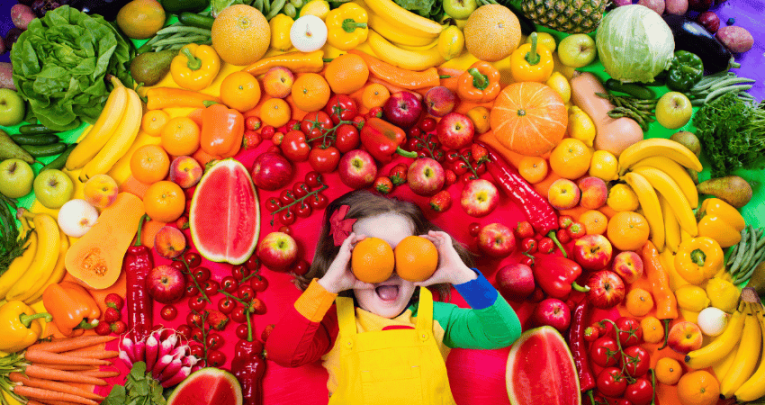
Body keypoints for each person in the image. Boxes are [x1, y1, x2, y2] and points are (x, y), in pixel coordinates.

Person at [266, 190, 522, 404]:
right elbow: (282, 353)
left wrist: (461, 275)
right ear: (344, 262)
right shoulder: (335, 323)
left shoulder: (435, 316)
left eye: (403, 252)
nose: (388, 268)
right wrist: (328, 285)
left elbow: (503, 332)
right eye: (372, 251)